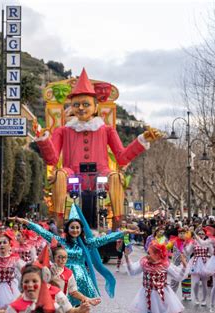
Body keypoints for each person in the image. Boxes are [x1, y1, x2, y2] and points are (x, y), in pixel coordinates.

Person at [33, 68, 162, 227]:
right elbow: (52, 158)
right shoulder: (63, 130)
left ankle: (117, 222)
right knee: (59, 174)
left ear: (95, 108)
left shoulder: (106, 130)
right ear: (72, 107)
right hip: (72, 173)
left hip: (102, 173)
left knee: (115, 176)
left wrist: (142, 140)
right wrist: (42, 139)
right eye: (76, 104)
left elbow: (121, 157)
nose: (80, 108)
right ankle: (59, 222)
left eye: (85, 104)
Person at [15, 204, 137, 306]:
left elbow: (105, 239)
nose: (75, 230)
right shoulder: (61, 241)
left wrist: (124, 232)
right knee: (62, 306)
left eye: (77, 228)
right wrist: (26, 222)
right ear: (67, 229)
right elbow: (42, 232)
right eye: (72, 227)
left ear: (81, 230)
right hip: (62, 277)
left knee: (80, 308)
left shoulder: (87, 243)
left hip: (81, 279)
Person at [124, 240, 187, 313]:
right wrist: (127, 258)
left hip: (161, 295)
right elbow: (133, 271)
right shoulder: (144, 262)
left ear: (157, 255)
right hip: (146, 294)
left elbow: (178, 276)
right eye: (147, 253)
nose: (147, 256)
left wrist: (184, 266)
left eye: (149, 253)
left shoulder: (165, 265)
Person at [5, 264, 90, 313]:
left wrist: (80, 311)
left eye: (34, 281)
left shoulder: (55, 304)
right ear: (22, 284)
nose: (30, 285)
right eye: (26, 282)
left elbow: (70, 312)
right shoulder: (13, 308)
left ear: (42, 283)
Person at [185, 226, 212, 306]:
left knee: (204, 283)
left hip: (205, 263)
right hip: (195, 263)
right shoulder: (193, 242)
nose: (201, 235)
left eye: (202, 234)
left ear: (205, 235)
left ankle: (204, 299)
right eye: (199, 233)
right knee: (196, 283)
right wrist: (184, 246)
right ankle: (196, 297)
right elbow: (188, 253)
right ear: (197, 234)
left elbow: (212, 253)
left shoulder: (207, 242)